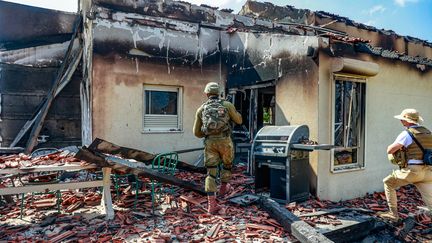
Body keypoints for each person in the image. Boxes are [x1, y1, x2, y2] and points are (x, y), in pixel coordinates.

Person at [193, 82, 242, 214]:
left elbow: (196, 133)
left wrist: (209, 133)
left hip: (210, 143)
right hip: (225, 141)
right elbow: (239, 121)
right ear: (219, 93)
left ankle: (212, 205)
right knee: (227, 164)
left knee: (211, 172)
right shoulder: (227, 105)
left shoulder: (201, 109)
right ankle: (224, 187)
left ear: (206, 93)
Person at [379, 108, 432, 222]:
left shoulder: (406, 133)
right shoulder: (428, 132)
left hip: (412, 171)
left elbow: (390, 150)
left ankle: (393, 214)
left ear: (408, 121)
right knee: (431, 201)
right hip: (428, 171)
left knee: (388, 183)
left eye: (403, 119)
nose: (401, 121)